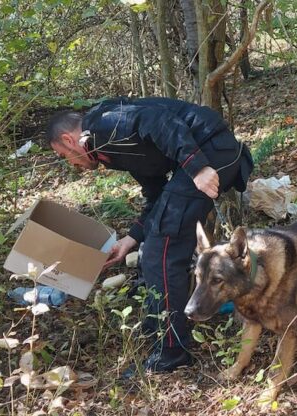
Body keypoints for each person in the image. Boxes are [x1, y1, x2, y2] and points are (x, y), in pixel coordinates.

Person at [46, 97, 253, 376]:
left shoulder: (101, 127)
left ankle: (171, 352)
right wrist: (131, 239)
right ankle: (160, 325)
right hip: (208, 153)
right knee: (153, 247)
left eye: (63, 156)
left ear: (68, 140)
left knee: (161, 253)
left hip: (209, 152)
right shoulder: (109, 149)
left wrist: (196, 167)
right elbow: (156, 195)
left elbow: (157, 121)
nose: (71, 164)